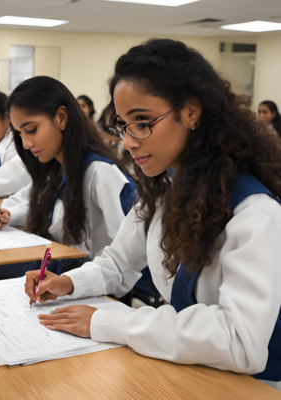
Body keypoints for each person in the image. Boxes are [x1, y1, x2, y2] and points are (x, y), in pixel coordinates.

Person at [25, 39, 281, 390]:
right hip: (186, 367)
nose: (128, 141)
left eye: (142, 121)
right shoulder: (163, 190)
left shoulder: (255, 215)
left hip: (251, 386)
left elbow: (238, 341)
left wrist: (112, 323)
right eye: (122, 125)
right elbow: (118, 263)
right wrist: (69, 284)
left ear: (191, 113)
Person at [0, 76, 136, 265]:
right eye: (19, 134)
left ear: (61, 118)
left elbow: (125, 258)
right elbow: (30, 201)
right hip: (62, 275)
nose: (25, 144)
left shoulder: (100, 173)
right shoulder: (55, 167)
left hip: (92, 284)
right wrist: (5, 212)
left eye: (31, 129)